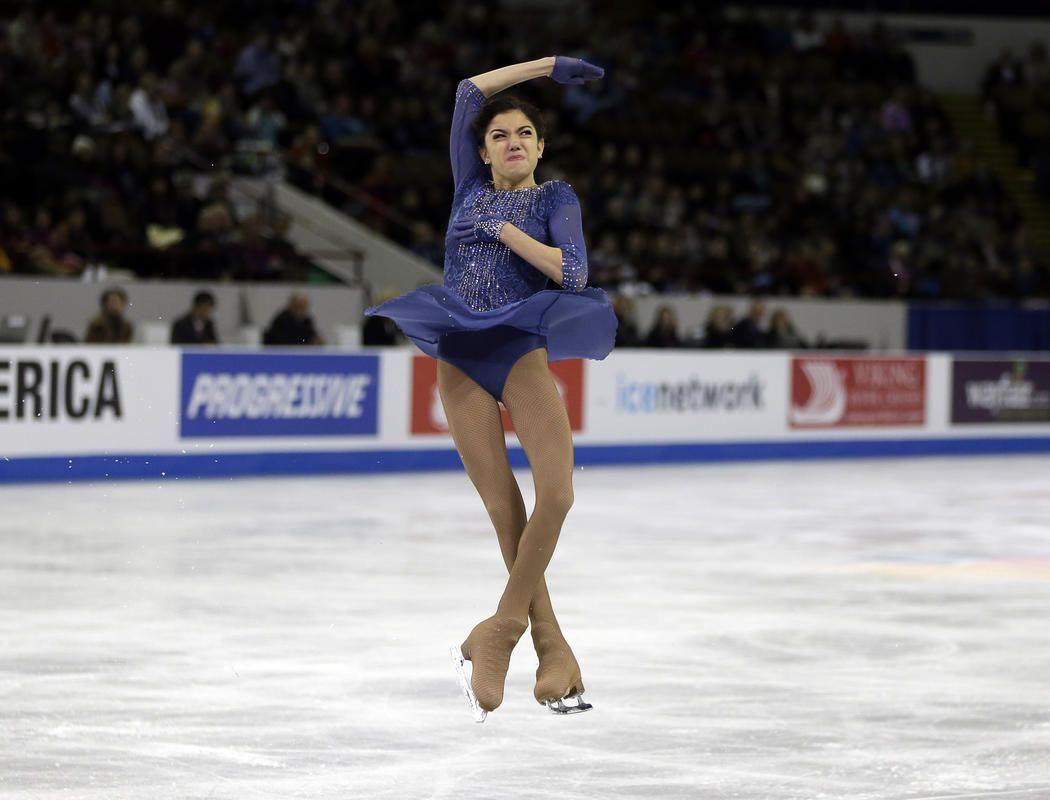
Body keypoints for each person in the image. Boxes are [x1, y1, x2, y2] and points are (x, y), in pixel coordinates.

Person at [365, 56, 615, 721]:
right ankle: (550, 644)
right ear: (482, 150)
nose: (512, 141)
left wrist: (506, 232)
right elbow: (468, 90)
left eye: (525, 135)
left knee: (556, 493)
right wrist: (549, 67)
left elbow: (572, 271)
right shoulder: (466, 188)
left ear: (540, 148)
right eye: (501, 134)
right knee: (506, 508)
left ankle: (501, 631)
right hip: (460, 355)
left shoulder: (554, 197)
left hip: (518, 351)